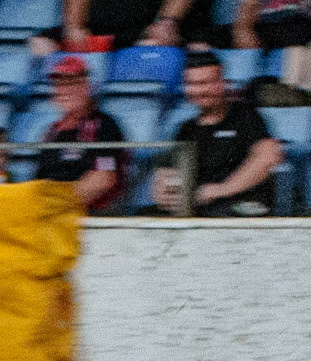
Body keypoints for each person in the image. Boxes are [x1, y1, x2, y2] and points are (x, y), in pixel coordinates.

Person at [152, 51, 283, 214]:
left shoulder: (246, 115)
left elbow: (268, 157)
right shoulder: (185, 129)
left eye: (205, 83)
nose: (198, 91)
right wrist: (167, 194)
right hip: (196, 207)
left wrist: (220, 190)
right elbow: (163, 180)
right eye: (192, 84)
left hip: (242, 205)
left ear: (222, 83)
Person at [35, 55, 128, 212]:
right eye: (58, 85)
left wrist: (58, 205)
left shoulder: (105, 126)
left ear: (87, 87)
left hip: (93, 217)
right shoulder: (51, 132)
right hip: (52, 215)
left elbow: (103, 179)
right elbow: (39, 180)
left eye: (71, 84)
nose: (64, 91)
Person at [34, 0, 215, 53]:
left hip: (149, 30)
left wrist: (167, 21)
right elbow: (74, 22)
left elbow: (165, 28)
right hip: (99, 32)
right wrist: (74, 26)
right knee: (41, 45)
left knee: (197, 47)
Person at [234, 0, 311, 90]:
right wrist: (243, 30)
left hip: (300, 30)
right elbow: (248, 6)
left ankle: (292, 90)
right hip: (268, 27)